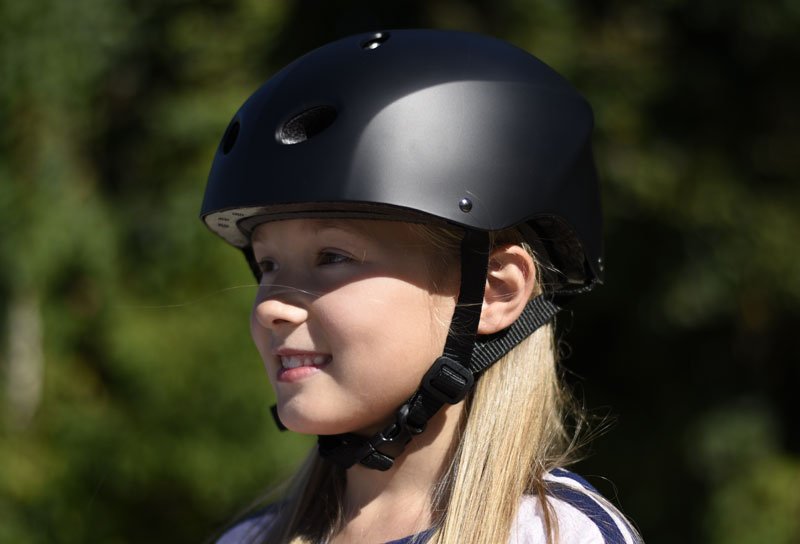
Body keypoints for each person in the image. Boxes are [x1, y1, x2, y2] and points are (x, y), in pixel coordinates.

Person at [201, 29, 641, 544]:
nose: (271, 306)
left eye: (332, 257)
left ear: (495, 292)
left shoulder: (550, 535)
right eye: (268, 263)